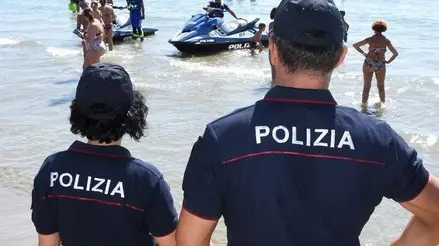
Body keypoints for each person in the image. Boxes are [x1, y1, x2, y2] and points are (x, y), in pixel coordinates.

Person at [176, 0, 439, 245]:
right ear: (341, 57)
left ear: (274, 50)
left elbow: (188, 241)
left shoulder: (222, 138)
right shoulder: (377, 140)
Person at [31, 62, 178, 246]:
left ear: (77, 111)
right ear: (133, 113)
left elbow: (47, 242)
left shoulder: (52, 169)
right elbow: (172, 243)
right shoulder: (145, 179)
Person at [353, 20, 398, 107]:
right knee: (381, 86)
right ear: (383, 29)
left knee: (366, 87)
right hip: (380, 65)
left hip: (368, 63)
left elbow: (355, 45)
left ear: (374, 28)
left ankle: (364, 107)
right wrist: (388, 61)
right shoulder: (386, 41)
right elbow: (395, 53)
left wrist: (363, 53)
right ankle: (382, 106)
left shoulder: (370, 39)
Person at [269, 7, 276, 81]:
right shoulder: (280, 24)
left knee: (273, 68)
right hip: (276, 48)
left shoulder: (271, 24)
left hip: (271, 48)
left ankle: (273, 83)